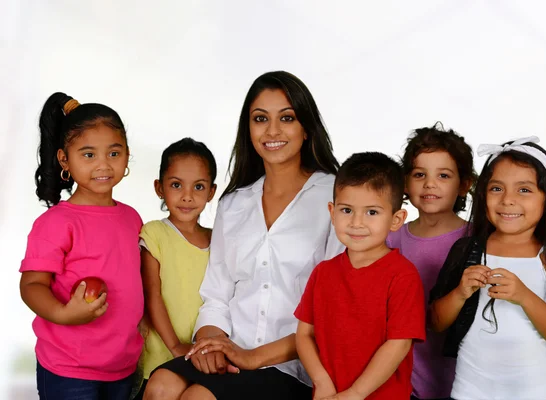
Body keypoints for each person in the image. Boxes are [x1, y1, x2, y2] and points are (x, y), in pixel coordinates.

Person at [143, 70, 343, 400]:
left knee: (199, 398)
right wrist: (210, 344)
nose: (273, 130)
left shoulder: (337, 197)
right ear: (248, 129)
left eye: (287, 118)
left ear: (306, 127)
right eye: (260, 118)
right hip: (229, 347)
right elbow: (217, 294)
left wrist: (251, 357)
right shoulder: (233, 204)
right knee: (161, 386)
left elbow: (333, 309)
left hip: (292, 363)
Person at [430, 137, 546, 399]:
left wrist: (524, 296)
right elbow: (435, 323)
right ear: (483, 195)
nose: (508, 200)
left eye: (524, 190)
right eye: (496, 189)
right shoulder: (467, 250)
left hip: (534, 391)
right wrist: (460, 292)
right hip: (469, 390)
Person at [19, 93, 143, 399]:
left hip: (123, 366)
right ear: (65, 159)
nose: (103, 165)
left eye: (114, 154)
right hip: (68, 368)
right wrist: (63, 314)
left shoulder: (131, 218)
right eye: (88, 155)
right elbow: (32, 284)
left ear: (127, 154)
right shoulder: (57, 223)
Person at [296, 152, 426, 400]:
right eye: (347, 210)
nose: (356, 222)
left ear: (396, 219)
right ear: (332, 212)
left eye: (372, 212)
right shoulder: (322, 272)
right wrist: (321, 382)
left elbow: (398, 343)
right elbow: (304, 334)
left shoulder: (403, 275)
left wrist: (356, 394)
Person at [386, 123, 476, 400]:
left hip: (465, 383)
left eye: (444, 175)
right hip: (405, 382)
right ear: (404, 182)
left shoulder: (478, 240)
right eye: (419, 174)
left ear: (464, 185)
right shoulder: (391, 238)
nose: (430, 184)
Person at [134, 138, 219, 398]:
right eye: (176, 185)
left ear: (211, 192)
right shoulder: (155, 233)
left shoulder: (219, 240)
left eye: (198, 187)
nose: (187, 196)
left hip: (204, 352)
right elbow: (152, 293)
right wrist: (174, 345)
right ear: (159, 188)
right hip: (163, 352)